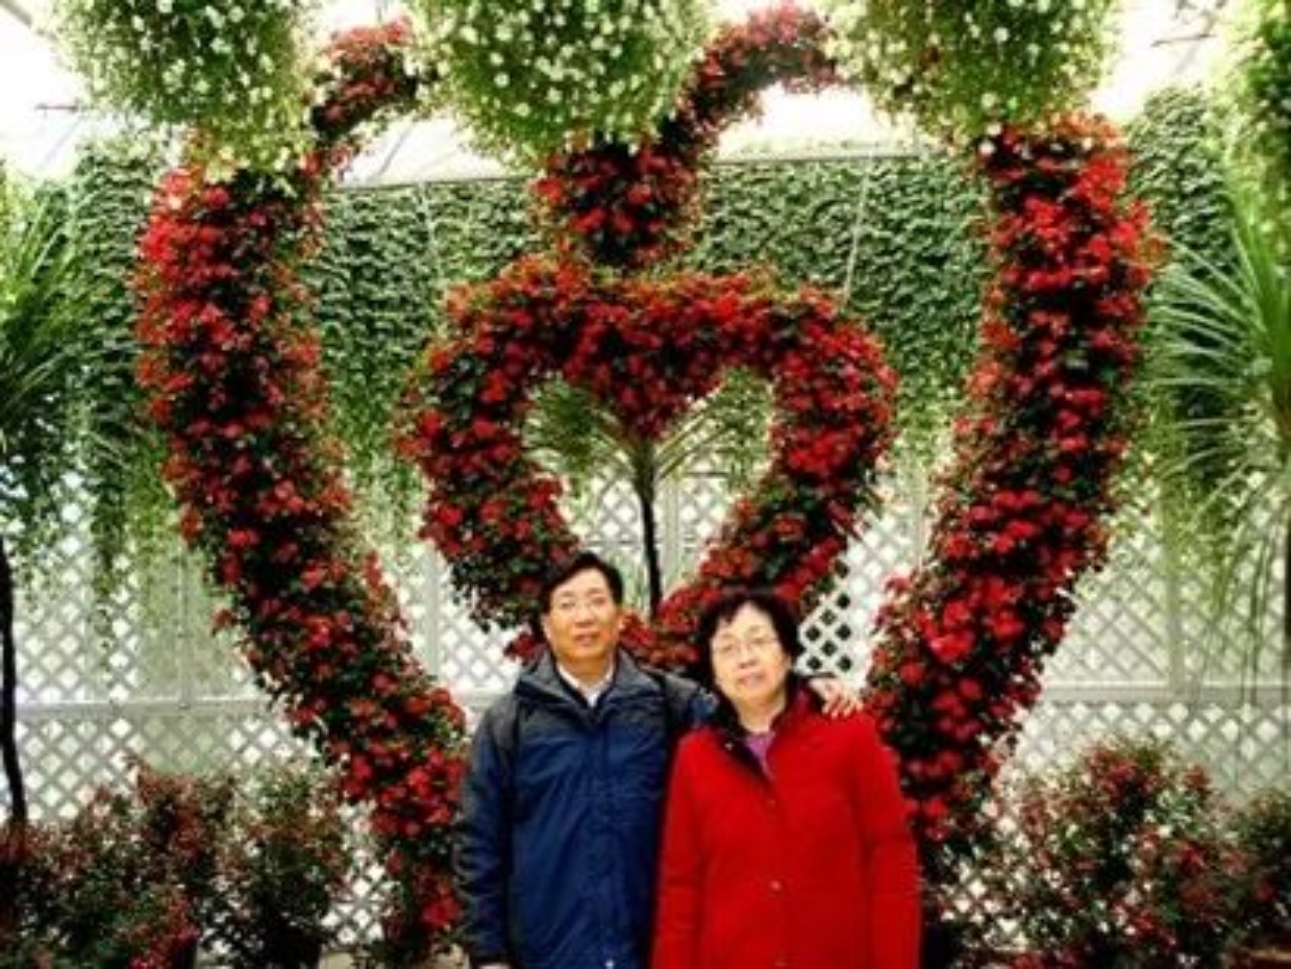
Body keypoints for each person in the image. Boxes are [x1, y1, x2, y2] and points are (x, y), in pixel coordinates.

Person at [455, 552, 857, 969]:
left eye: (597, 600)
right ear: (545, 624)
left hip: (650, 949)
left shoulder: (666, 703)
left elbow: (746, 709)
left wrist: (806, 688)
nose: (584, 616)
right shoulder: (510, 723)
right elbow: (478, 843)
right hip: (548, 951)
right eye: (568, 604)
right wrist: (488, 955)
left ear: (620, 616)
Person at [652, 587, 921, 969]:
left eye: (758, 641)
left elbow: (890, 856)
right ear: (712, 672)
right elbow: (681, 886)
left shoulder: (849, 734)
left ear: (789, 654)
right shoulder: (694, 757)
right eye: (727, 648)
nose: (745, 658)